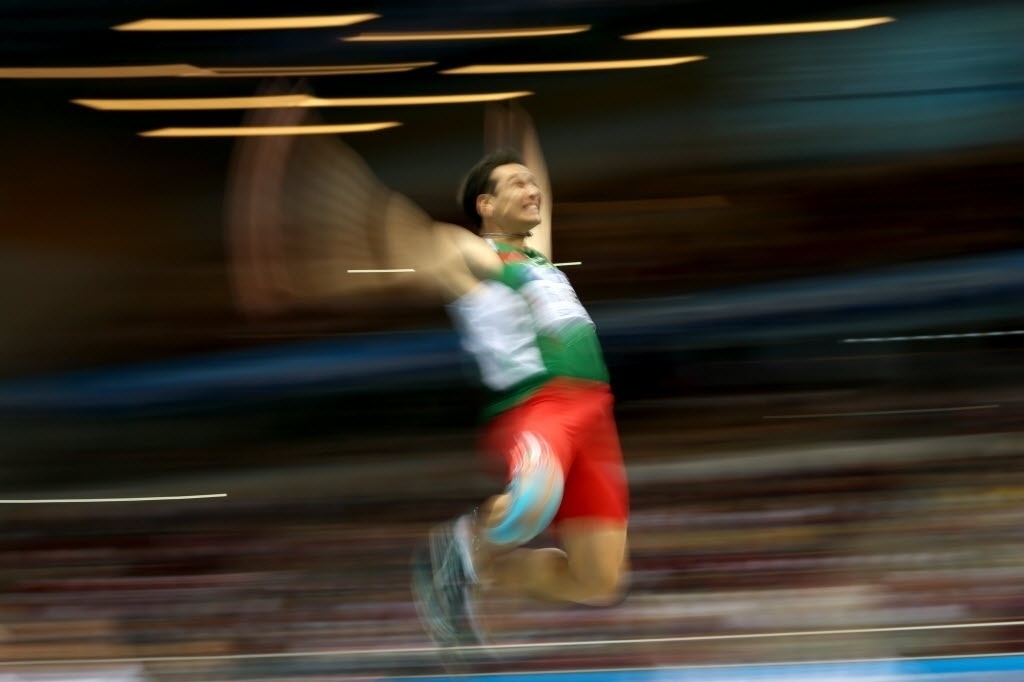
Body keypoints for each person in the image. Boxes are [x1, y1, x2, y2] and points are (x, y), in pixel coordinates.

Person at [411, 105, 631, 648]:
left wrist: (524, 147)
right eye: (516, 185)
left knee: (597, 580)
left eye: (532, 184)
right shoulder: (473, 252)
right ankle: (457, 547)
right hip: (536, 405)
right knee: (531, 506)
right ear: (485, 205)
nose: (532, 192)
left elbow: (542, 200)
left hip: (594, 414)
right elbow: (446, 247)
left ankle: (479, 576)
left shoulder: (538, 260)